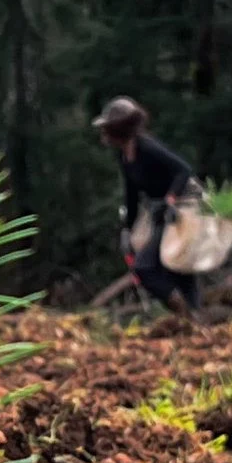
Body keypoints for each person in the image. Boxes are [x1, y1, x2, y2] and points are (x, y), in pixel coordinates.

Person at [94, 95, 199, 312]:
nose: (103, 134)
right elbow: (131, 195)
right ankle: (193, 321)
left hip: (184, 206)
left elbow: (183, 170)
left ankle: (185, 313)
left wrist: (171, 200)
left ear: (119, 129)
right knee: (175, 268)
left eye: (107, 128)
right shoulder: (125, 157)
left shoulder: (147, 148)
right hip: (161, 210)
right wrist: (127, 230)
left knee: (145, 267)